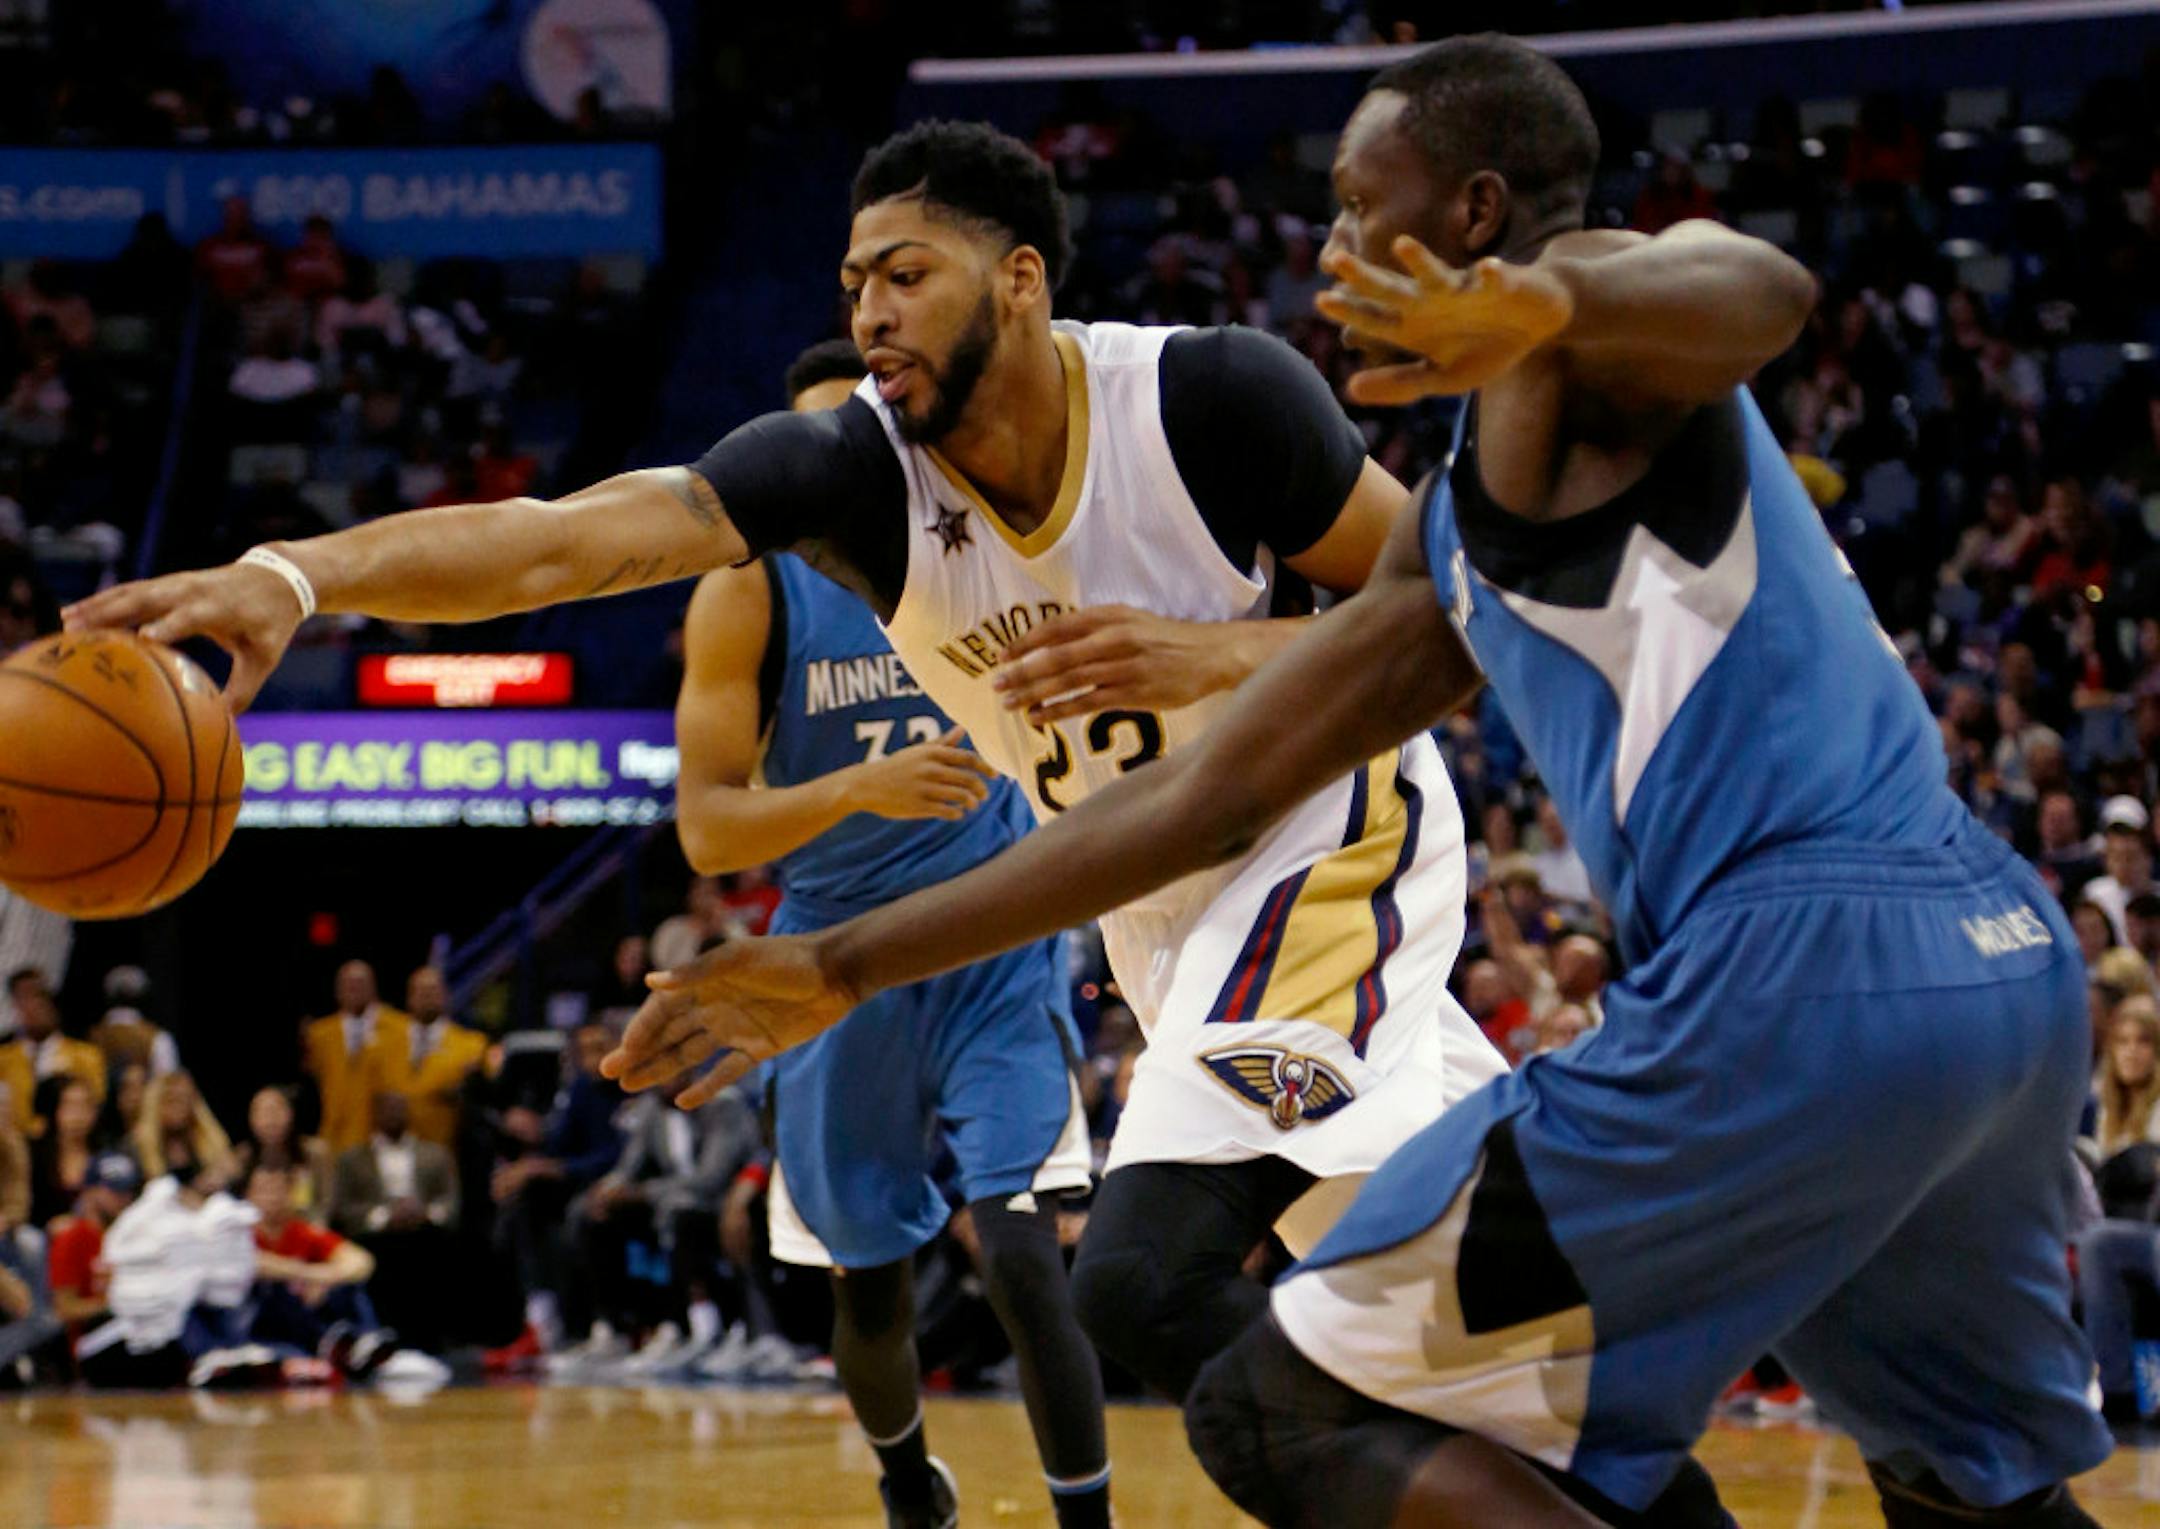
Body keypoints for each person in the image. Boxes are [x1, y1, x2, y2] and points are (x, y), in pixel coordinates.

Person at [596, 36, 2107, 1529]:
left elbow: (1758, 283)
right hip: (1998, 971)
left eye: (1350, 205)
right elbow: (1190, 808)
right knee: (1966, 1486)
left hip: (1796, 974)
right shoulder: (1455, 529)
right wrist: (845, 961)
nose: (1323, 250)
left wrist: (1552, 295)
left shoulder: (1609, 361)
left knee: (1288, 1408)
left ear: (1471, 215)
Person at [65, 120, 1508, 1428]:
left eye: (905, 274)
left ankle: (1398, 1484)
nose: (869, 313)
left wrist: (1217, 659)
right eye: (851, 283)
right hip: (1155, 911)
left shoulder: (1208, 400)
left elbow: (1459, 608)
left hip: (1327, 838)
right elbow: (564, 539)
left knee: (1143, 1282)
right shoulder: (857, 478)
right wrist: (292, 574)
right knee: (1490, 1305)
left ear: (1018, 280)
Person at [665, 339, 1108, 1526]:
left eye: (851, 441)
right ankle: (910, 1482)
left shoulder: (980, 538)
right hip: (832, 964)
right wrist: (856, 790)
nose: (829, 469)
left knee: (1022, 1250)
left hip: (992, 940)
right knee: (868, 1291)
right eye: (806, 450)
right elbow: (707, 831)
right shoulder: (749, 588)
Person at [327, 1093, 457, 1354]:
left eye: (400, 1108)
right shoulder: (352, 1159)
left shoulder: (435, 1154)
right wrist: (384, 1216)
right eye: (387, 1109)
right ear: (374, 1115)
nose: (394, 1115)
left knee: (436, 1249)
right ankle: (382, 1337)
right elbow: (342, 1207)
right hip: (375, 1238)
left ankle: (431, 1341)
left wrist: (426, 1213)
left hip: (425, 1234)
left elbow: (451, 1200)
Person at [302, 961, 410, 1153]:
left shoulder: (401, 1028)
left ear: (374, 987)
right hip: (335, 1141)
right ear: (337, 991)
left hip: (383, 1142)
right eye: (348, 984)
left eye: (361, 983)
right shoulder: (319, 1035)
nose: (354, 989)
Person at [381, 966, 486, 1148]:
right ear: (409, 998)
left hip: (446, 1152)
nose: (427, 996)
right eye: (421, 991)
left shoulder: (472, 1046)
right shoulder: (385, 1044)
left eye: (433, 990)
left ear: (445, 996)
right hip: (394, 1154)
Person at [233, 1084, 334, 1222]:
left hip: (306, 1228)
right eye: (262, 1113)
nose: (270, 1120)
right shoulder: (241, 1157)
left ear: (290, 1114)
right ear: (251, 1119)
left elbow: (327, 1203)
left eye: (276, 1111)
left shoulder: (315, 1152)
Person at [133, 1070, 235, 1186]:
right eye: (171, 1100)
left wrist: (220, 1178)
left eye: (184, 1100)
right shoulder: (138, 1144)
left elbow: (231, 1171)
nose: (178, 1107)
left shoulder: (207, 1140)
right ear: (155, 1104)